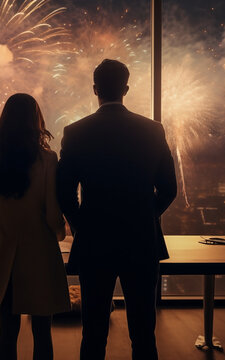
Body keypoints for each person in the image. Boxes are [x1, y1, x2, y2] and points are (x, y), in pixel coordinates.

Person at [57, 59, 177, 360]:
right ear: (126, 88)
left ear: (95, 89)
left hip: (95, 241)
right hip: (141, 241)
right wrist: (146, 216)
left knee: (93, 332)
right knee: (143, 333)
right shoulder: (152, 130)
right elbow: (169, 189)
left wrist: (81, 224)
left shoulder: (75, 132)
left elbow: (63, 191)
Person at [0, 93, 70, 360]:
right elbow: (52, 214)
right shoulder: (47, 160)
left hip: (4, 254)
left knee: (7, 330)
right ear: (35, 121)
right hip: (40, 252)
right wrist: (60, 235)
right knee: (42, 332)